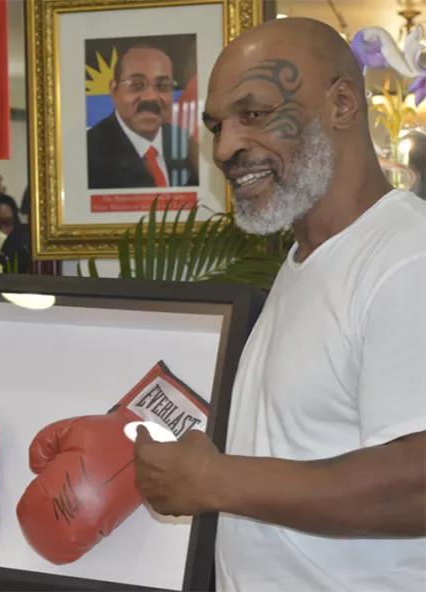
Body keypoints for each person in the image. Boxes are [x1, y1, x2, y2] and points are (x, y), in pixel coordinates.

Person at [133, 17, 426, 591]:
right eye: (217, 125)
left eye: (255, 114)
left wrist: (213, 480)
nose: (226, 147)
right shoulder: (304, 260)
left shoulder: (406, 259)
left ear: (342, 103)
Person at [87, 46, 199, 189]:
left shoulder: (185, 143)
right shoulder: (89, 153)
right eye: (137, 85)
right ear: (114, 90)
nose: (150, 97)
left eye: (163, 85)